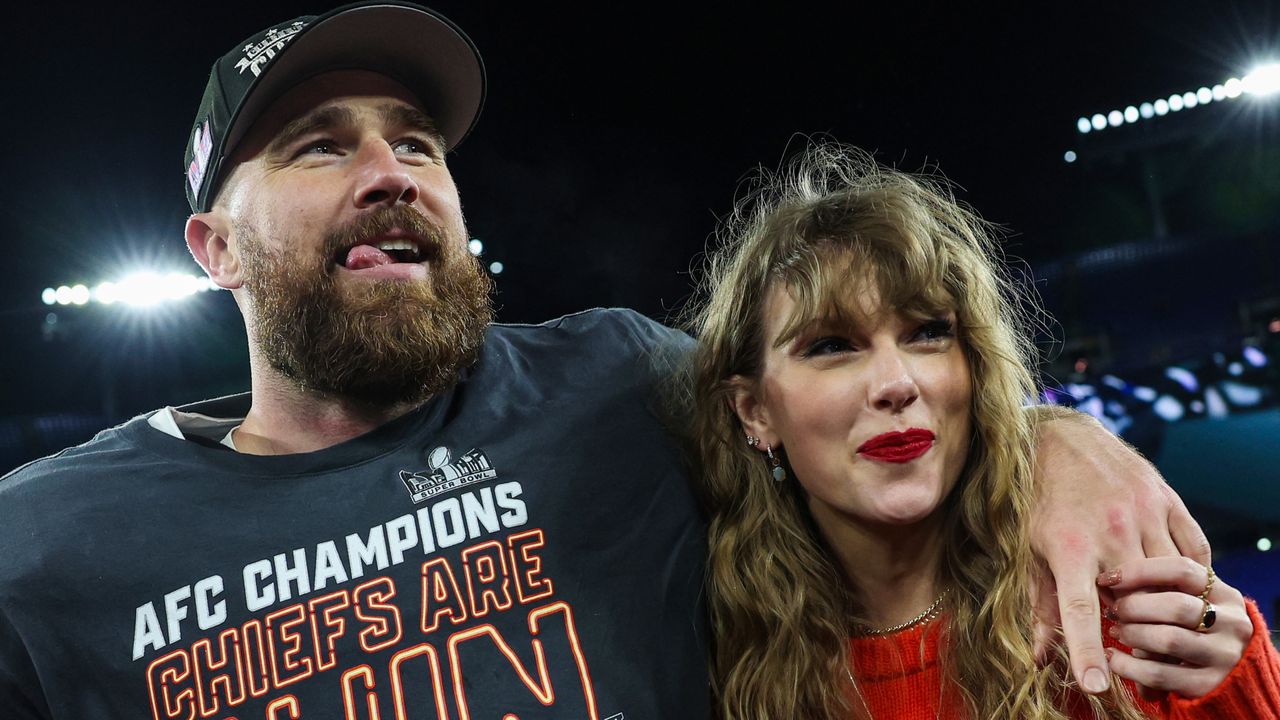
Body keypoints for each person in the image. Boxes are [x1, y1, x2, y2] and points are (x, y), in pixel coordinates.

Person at [0, 3, 1221, 718]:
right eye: (319, 148)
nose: (390, 173)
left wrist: (1059, 438)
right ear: (213, 249)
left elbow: (860, 400)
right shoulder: (46, 548)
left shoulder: (618, 380)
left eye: (416, 143)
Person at [684, 141, 1280, 719]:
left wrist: (1235, 693)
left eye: (927, 333)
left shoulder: (1097, 607)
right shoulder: (703, 657)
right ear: (754, 412)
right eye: (832, 345)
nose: (896, 383)